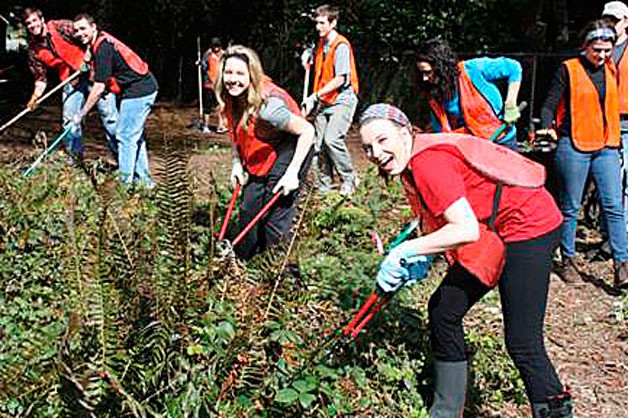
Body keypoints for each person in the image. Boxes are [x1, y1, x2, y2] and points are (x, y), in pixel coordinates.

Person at [359, 103, 572, 417]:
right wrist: (423, 255)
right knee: (444, 310)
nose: (375, 152)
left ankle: (556, 413)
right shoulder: (410, 164)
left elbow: (465, 229)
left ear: (405, 133)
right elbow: (447, 220)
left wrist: (404, 251)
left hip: (529, 225)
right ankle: (446, 411)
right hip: (493, 228)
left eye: (382, 140)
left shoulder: (428, 162)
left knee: (523, 341)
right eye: (367, 147)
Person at [537, 19, 628, 288]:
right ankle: (568, 260)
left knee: (614, 206)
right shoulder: (569, 69)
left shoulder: (611, 69)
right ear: (585, 46)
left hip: (606, 145)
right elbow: (549, 104)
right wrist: (546, 127)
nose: (601, 55)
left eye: (606, 50)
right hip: (573, 146)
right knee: (570, 207)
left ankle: (622, 265)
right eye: (596, 49)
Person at [216, 45, 315, 259]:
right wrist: (236, 162)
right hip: (265, 148)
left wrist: (292, 173)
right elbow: (235, 130)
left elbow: (308, 131)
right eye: (228, 72)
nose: (233, 79)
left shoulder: (269, 108)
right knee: (248, 210)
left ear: (252, 75)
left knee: (274, 219)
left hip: (293, 147)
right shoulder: (230, 96)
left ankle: (283, 277)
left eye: (240, 73)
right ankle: (242, 268)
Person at [73, 13, 158, 187]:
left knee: (125, 136)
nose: (80, 33)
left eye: (83, 29)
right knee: (134, 137)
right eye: (76, 31)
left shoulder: (103, 49)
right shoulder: (98, 43)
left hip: (140, 90)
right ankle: (145, 183)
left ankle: (124, 186)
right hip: (135, 89)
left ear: (93, 27)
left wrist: (80, 114)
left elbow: (98, 88)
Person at [22, 7, 117, 157]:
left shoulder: (61, 27)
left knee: (110, 119)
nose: (33, 25)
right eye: (29, 23)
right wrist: (34, 98)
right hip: (71, 82)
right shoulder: (34, 51)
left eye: (35, 20)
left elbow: (89, 37)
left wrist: (87, 56)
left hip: (94, 75)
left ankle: (123, 162)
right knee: (69, 122)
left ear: (41, 19)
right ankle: (75, 161)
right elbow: (40, 79)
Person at [416, 39, 522, 149]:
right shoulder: (434, 94)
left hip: (501, 140)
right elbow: (440, 129)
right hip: (471, 148)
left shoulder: (473, 69)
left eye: (428, 72)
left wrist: (510, 103)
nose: (424, 78)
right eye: (421, 73)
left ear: (441, 67)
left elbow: (513, 68)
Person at [301, 4, 359, 195]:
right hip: (324, 101)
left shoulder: (341, 45)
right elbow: (316, 65)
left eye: (322, 23)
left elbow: (341, 78)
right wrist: (307, 57)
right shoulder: (320, 44)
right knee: (318, 146)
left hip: (342, 99)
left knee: (332, 139)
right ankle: (324, 186)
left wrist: (314, 96)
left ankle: (349, 179)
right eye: (316, 23)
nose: (318, 27)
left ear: (333, 23)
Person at [603, 2, 628, 228]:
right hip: (604, 122)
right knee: (610, 181)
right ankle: (610, 228)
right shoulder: (600, 49)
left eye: (616, 20)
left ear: (626, 22)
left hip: (626, 121)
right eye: (607, 20)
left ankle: (623, 230)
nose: (611, 25)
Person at [200, 37, 227, 134]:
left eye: (217, 46)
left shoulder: (224, 55)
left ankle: (221, 126)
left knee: (221, 105)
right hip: (209, 84)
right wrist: (201, 64)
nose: (216, 48)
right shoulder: (208, 54)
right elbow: (204, 66)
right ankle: (205, 126)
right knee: (208, 105)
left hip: (220, 83)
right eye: (214, 46)